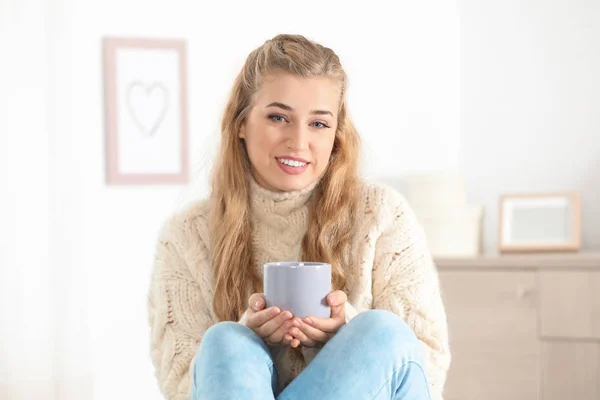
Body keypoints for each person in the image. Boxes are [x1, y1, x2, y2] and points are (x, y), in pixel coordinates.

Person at [147, 33, 451, 400]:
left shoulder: (382, 215)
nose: (298, 141)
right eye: (279, 117)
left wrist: (346, 333)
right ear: (241, 123)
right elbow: (181, 385)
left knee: (381, 331)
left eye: (318, 124)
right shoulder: (186, 234)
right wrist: (252, 334)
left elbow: (424, 365)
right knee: (227, 340)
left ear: (337, 135)